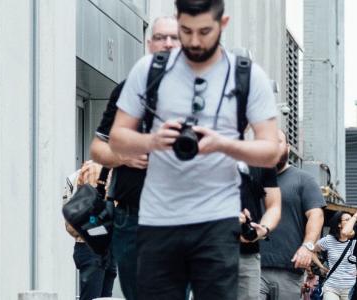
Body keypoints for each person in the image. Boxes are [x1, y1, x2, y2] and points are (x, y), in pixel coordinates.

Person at [107, 0, 284, 297]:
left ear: (222, 24)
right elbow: (116, 138)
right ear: (178, 22)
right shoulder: (150, 70)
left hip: (216, 220)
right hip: (158, 219)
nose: (194, 41)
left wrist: (223, 144)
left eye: (204, 31)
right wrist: (152, 140)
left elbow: (271, 151)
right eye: (186, 31)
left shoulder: (247, 76)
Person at [89, 15, 179, 299]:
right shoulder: (127, 90)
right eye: (161, 37)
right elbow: (98, 149)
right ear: (149, 43)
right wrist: (124, 156)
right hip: (133, 216)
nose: (167, 43)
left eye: (174, 38)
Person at [262, 130, 328, 299]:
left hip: (289, 270)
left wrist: (307, 246)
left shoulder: (304, 180)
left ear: (288, 147)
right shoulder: (252, 179)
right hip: (253, 268)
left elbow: (316, 215)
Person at [64, 161, 117, 300]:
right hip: (93, 247)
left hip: (104, 246)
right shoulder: (95, 168)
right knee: (93, 297)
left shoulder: (114, 168)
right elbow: (90, 212)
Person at [236, 158, 283, 300]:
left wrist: (263, 229)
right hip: (208, 251)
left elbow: (274, 205)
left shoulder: (262, 159)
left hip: (248, 253)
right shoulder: (201, 152)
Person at [314, 211, 357, 300]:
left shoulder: (356, 241)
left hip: (350, 289)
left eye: (351, 219)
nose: (351, 222)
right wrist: (321, 266)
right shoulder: (329, 240)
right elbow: (311, 251)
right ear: (339, 224)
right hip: (331, 287)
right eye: (347, 219)